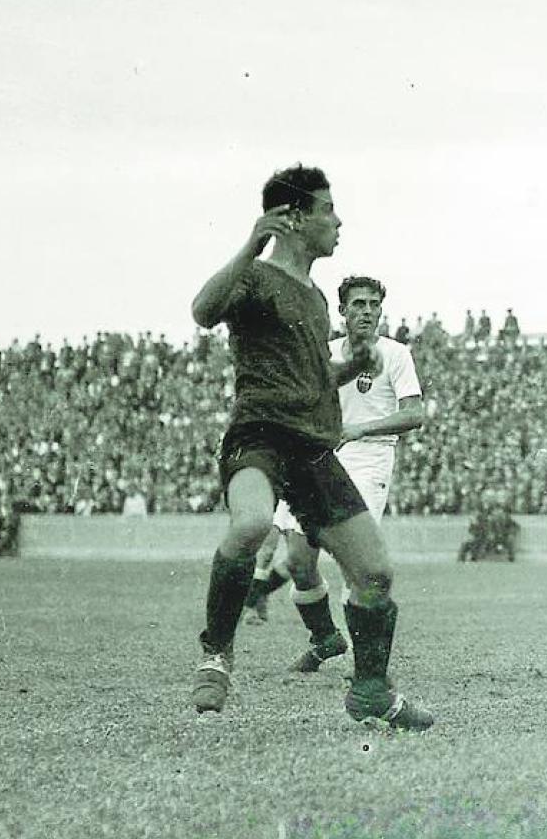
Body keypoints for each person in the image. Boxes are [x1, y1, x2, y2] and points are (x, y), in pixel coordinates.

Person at [186, 163, 433, 730]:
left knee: (375, 573)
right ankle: (217, 655)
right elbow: (203, 311)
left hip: (312, 448)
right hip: (259, 438)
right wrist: (253, 240)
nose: (338, 220)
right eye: (328, 209)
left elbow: (315, 376)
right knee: (251, 526)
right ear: (294, 219)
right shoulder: (255, 277)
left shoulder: (319, 298)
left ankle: (371, 692)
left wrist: (350, 366)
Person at [274, 274, 428, 675]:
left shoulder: (395, 354)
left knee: (354, 561)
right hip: (320, 454)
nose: (367, 311)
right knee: (297, 561)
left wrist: (360, 428)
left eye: (373, 304)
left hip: (368, 457)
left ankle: (367, 669)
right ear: (341, 311)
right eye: (358, 304)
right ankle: (326, 638)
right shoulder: (323, 354)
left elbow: (415, 414)